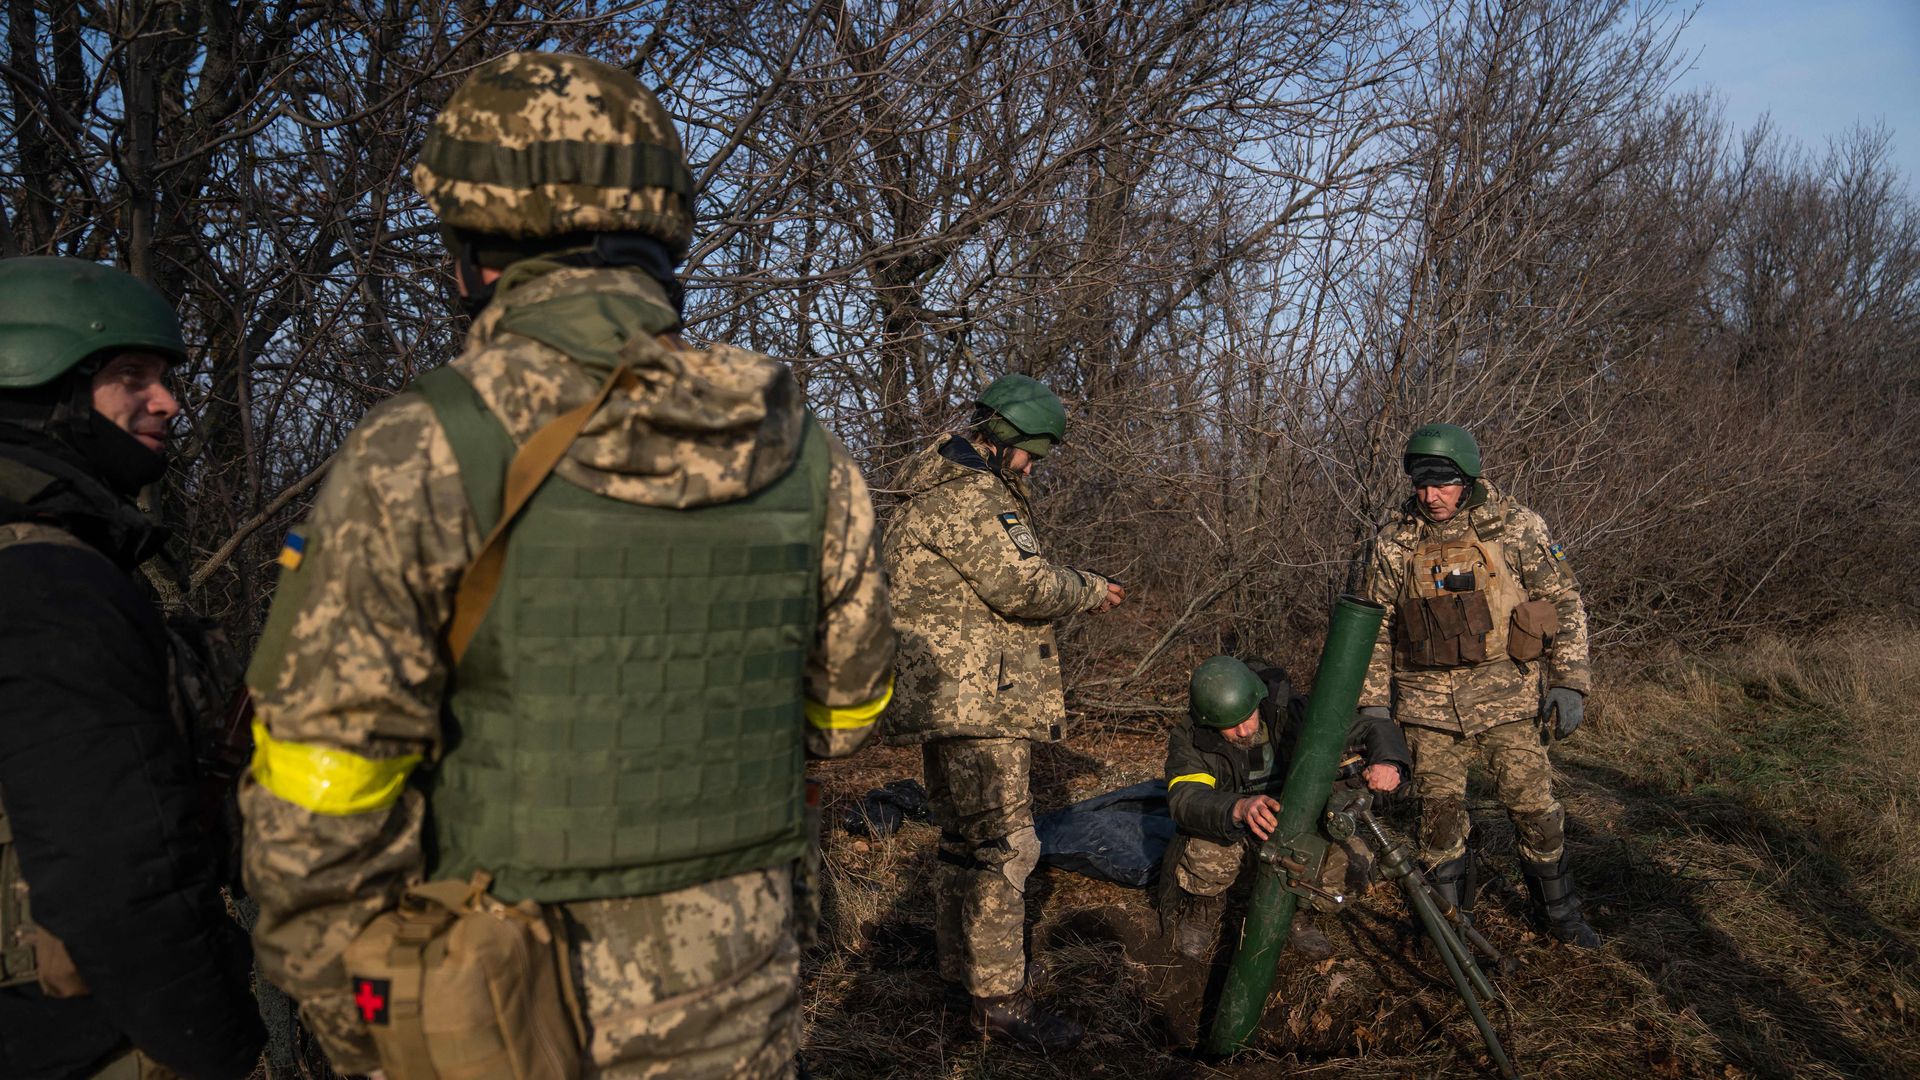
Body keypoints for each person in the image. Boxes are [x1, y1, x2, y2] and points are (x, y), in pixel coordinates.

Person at [239, 52, 895, 1078]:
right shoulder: (803, 448)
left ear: (474, 254)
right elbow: (848, 711)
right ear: (660, 233)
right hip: (741, 1003)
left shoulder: (424, 448)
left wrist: (370, 1017)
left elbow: (317, 798)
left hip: (495, 1020)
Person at [0, 257, 265, 1078]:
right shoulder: (49, 580)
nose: (167, 403)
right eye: (129, 376)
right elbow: (117, 868)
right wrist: (219, 1041)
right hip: (86, 1040)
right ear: (43, 389)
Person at [882, 373, 1123, 1051]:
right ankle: (998, 1003)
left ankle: (964, 976)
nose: (1031, 467)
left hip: (943, 698)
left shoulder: (926, 488)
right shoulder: (972, 496)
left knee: (963, 842)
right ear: (1008, 438)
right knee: (1003, 847)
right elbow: (1022, 583)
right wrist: (1091, 589)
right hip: (980, 701)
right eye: (1032, 454)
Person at [1358, 422, 1600, 947]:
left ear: (1467, 479)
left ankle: (1558, 916)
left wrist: (1570, 681)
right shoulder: (1396, 542)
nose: (1431, 495)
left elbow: (1564, 601)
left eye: (1443, 483)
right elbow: (1373, 628)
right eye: (1422, 484)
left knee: (1536, 810)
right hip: (1427, 709)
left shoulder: (1514, 527)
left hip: (1507, 698)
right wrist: (1373, 707)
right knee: (1438, 821)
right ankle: (1451, 931)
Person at [1158, 655, 1409, 961]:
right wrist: (1237, 807)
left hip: (1301, 826)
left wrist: (1388, 761)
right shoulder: (1190, 736)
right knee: (1203, 851)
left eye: (1246, 717)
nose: (1242, 730)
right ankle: (1205, 908)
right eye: (1229, 726)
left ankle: (1296, 912)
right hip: (1234, 830)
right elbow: (1185, 798)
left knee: (1354, 866)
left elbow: (1372, 727)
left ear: (1257, 701)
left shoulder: (1293, 713)